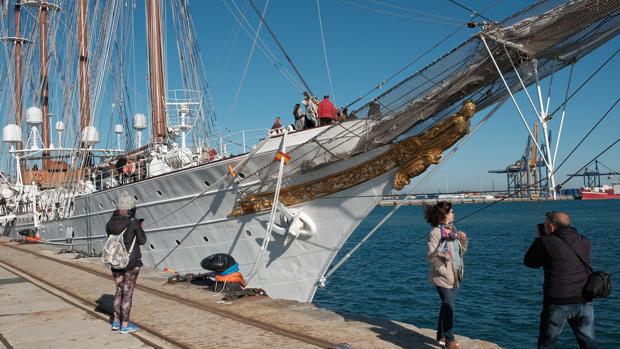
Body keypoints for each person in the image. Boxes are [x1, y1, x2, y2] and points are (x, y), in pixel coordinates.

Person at [524, 211, 596, 349]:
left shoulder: (546, 242)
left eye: (545, 226)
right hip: (584, 300)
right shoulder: (584, 241)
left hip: (558, 301)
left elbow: (529, 262)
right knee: (589, 343)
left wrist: (539, 238)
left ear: (551, 227)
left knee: (547, 344)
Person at [425, 201, 468, 349]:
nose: (454, 213)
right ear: (444, 214)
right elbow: (432, 258)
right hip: (444, 277)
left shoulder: (452, 229)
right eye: (451, 211)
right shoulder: (436, 233)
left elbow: (460, 253)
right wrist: (445, 272)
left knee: (446, 306)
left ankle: (440, 335)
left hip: (456, 275)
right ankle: (449, 340)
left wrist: (463, 240)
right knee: (449, 305)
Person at [105, 191, 147, 334]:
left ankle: (116, 322)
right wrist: (140, 227)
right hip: (131, 262)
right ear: (131, 207)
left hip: (115, 262)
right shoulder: (133, 222)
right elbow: (142, 240)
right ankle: (125, 325)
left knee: (118, 290)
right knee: (127, 294)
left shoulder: (110, 222)